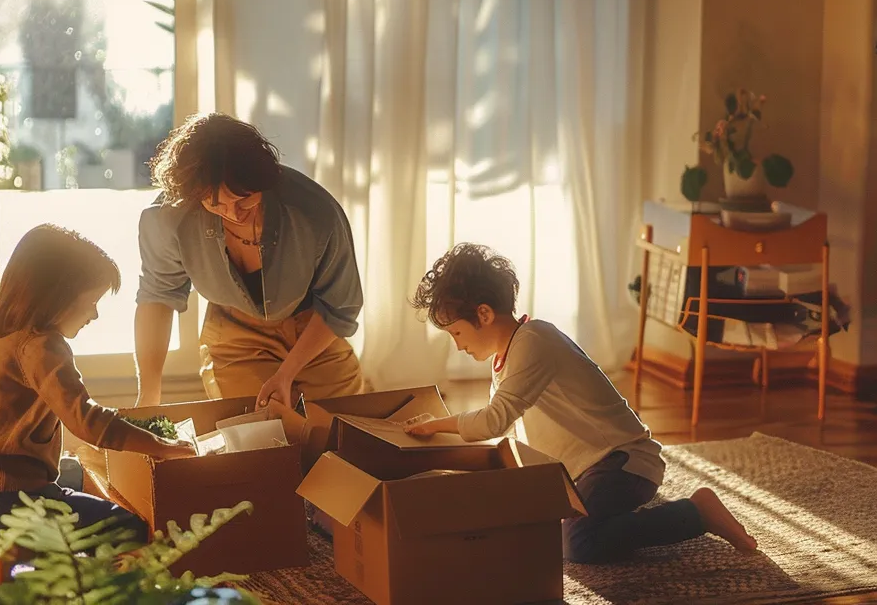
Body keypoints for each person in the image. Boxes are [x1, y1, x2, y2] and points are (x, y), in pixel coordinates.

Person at [402, 243, 758, 564]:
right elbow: (500, 435)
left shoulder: (534, 340)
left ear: (483, 314)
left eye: (457, 333)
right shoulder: (506, 359)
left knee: (579, 545)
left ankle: (697, 511)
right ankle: (620, 514)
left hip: (623, 463)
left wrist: (436, 424)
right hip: (584, 474)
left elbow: (492, 422)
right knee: (533, 523)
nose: (458, 346)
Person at [0, 225, 194, 556]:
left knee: (75, 470)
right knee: (134, 531)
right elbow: (86, 421)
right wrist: (162, 447)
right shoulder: (42, 345)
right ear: (56, 296)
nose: (95, 314)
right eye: (91, 302)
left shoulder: (5, 337)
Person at [134, 112, 366, 409]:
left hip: (313, 326)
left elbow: (340, 307)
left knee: (344, 425)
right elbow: (157, 298)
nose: (234, 213)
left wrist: (286, 373)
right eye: (215, 204)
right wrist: (149, 393)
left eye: (245, 200)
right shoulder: (168, 219)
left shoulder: (315, 214)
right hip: (234, 330)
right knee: (257, 432)